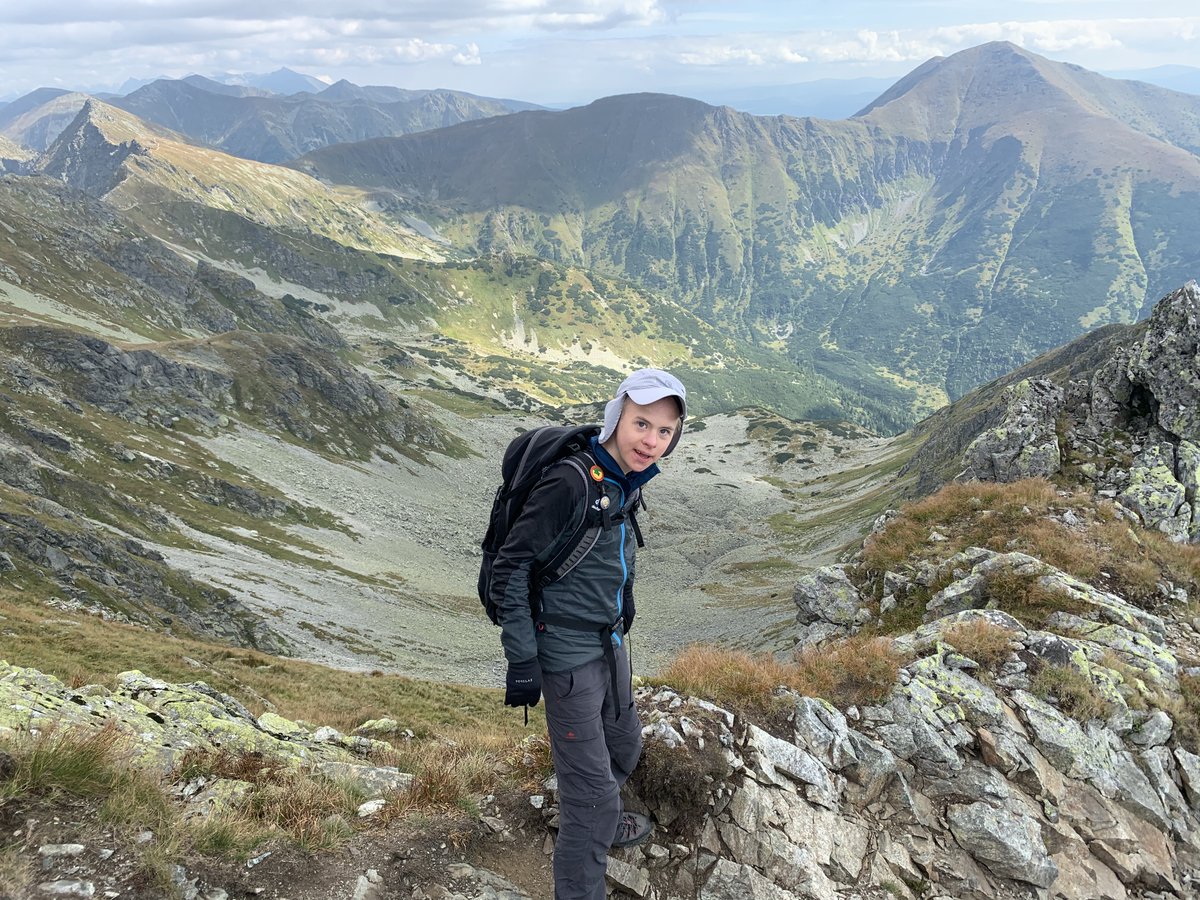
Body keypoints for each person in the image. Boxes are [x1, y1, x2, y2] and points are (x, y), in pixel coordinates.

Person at [490, 368, 687, 900]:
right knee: (594, 797)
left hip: (609, 644)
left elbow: (608, 553)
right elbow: (513, 569)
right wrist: (522, 660)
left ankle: (595, 815)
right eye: (642, 423)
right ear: (616, 415)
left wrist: (623, 602)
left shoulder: (623, 479)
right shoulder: (571, 481)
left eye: (665, 431)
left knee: (625, 745)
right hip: (566, 654)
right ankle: (588, 838)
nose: (652, 441)